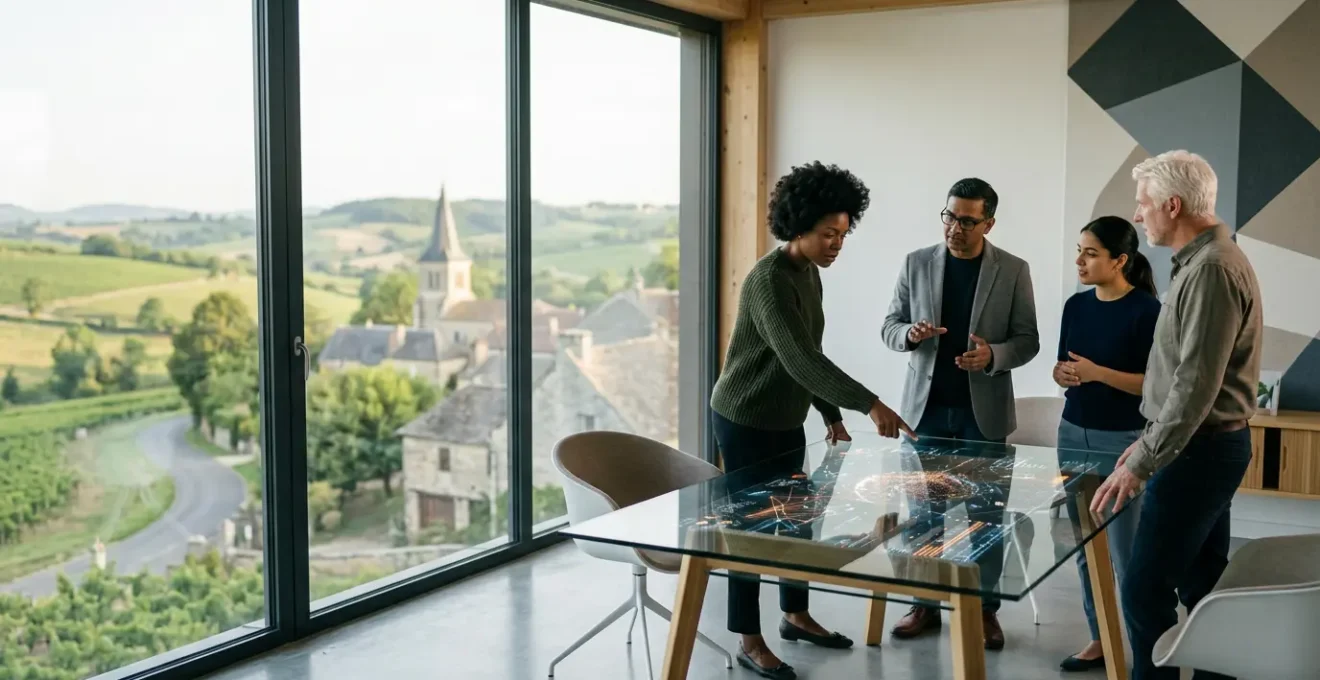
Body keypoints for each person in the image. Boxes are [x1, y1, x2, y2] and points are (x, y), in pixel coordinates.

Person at [709, 161, 912, 680]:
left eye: (843, 235)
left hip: (785, 416)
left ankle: (795, 616)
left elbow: (807, 351)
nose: (836, 244)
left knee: (796, 520)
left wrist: (827, 414)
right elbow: (798, 358)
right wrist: (869, 404)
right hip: (745, 418)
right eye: (828, 234)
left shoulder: (808, 274)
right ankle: (749, 640)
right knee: (750, 531)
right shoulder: (769, 280)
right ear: (798, 226)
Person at [1091, 150, 1263, 680]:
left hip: (1198, 451)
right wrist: (1145, 443)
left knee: (1143, 590)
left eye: (1143, 205)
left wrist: (1142, 460)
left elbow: (1193, 388)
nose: (1138, 216)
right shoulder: (1205, 261)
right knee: (1202, 586)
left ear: (1172, 204)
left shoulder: (1211, 268)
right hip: (1202, 447)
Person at [880, 177, 1039, 650]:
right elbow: (889, 326)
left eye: (967, 220)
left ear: (989, 222)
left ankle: (983, 610)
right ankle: (923, 606)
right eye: (949, 216)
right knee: (923, 517)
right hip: (924, 413)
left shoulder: (1012, 269)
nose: (955, 227)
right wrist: (911, 335)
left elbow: (1028, 340)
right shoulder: (916, 262)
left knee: (985, 518)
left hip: (982, 414)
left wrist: (993, 356)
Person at [1052, 216, 1161, 672]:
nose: (1080, 260)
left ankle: (1144, 648)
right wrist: (1064, 374)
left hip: (1125, 441)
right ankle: (1100, 638)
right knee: (1084, 546)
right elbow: (1063, 368)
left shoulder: (1147, 311)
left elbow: (1153, 387)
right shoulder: (1075, 306)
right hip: (1071, 431)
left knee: (1125, 550)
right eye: (1079, 250)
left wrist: (1098, 373)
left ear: (1121, 260)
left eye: (1091, 253)